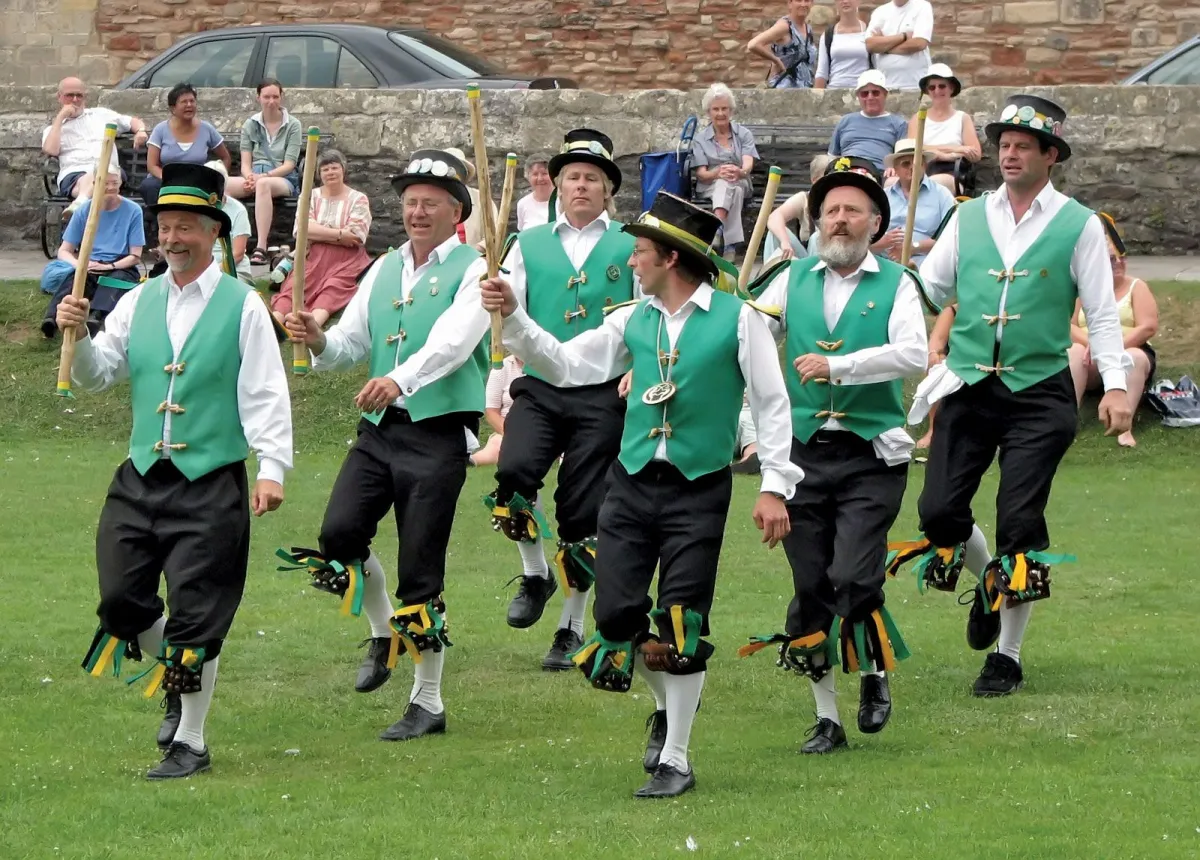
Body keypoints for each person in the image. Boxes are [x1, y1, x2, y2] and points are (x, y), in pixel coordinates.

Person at [481, 191, 800, 798]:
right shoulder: (631, 318)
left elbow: (771, 403)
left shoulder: (740, 319)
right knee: (617, 617)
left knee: (680, 624)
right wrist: (517, 317)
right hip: (628, 485)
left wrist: (775, 486)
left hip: (697, 488)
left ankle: (676, 756)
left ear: (672, 260)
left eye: (641, 253)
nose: (631, 262)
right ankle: (667, 708)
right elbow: (567, 364)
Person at [60, 162, 292, 780]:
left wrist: (272, 468)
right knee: (119, 602)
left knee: (197, 614)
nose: (172, 237)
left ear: (214, 232)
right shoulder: (139, 300)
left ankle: (190, 741)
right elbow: (95, 373)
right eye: (165, 226)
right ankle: (175, 674)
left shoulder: (244, 306)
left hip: (211, 479)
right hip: (140, 477)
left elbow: (265, 392)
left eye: (185, 226)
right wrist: (78, 337)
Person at [896, 95, 1132, 697]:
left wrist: (1118, 386)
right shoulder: (969, 215)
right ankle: (990, 588)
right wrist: (896, 274)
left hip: (1040, 389)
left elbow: (1103, 316)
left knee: (1019, 523)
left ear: (1050, 156)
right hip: (972, 383)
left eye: (1023, 145)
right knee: (938, 514)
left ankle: (1008, 655)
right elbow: (935, 284)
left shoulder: (1078, 223)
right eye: (1002, 143)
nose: (1008, 152)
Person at [280, 149, 490, 742]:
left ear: (457, 212)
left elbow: (453, 343)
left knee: (420, 570)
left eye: (431, 202)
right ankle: (381, 632)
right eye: (410, 201)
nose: (417, 211)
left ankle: (428, 701)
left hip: (438, 434)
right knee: (339, 535)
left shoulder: (477, 271)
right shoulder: (383, 269)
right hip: (380, 434)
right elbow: (350, 345)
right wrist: (319, 339)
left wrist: (401, 379)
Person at [742, 157, 927, 753]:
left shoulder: (898, 283)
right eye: (831, 211)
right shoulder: (786, 279)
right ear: (815, 221)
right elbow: (747, 346)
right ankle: (828, 718)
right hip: (798, 457)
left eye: (853, 210)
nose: (841, 221)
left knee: (853, 575)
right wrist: (749, 426)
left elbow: (913, 355)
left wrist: (839, 367)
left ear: (876, 221)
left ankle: (873, 675)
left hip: (871, 454)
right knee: (812, 584)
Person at [485, 129, 636, 671]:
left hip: (604, 392)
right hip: (542, 384)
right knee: (514, 472)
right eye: (572, 176)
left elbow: (650, 314)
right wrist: (505, 366)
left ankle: (571, 626)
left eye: (592, 178)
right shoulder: (526, 243)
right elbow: (508, 310)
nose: (581, 185)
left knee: (581, 513)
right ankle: (534, 573)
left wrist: (642, 367)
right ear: (557, 185)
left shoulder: (630, 243)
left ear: (606, 190)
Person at [1068, 213, 1158, 448]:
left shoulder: (1137, 287)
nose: (1118, 263)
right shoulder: (1084, 288)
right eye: (1110, 259)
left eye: (1121, 258)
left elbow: (1148, 326)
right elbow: (1069, 325)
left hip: (1127, 348)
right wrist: (1091, 344)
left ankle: (1124, 428)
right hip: (1089, 354)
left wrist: (1110, 347)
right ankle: (1067, 420)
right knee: (1073, 352)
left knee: (1135, 357)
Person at [271, 149, 372, 327]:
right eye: (325, 169)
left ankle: (310, 326)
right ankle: (275, 326)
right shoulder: (309, 196)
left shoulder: (358, 199)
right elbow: (301, 230)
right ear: (319, 174)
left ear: (343, 170)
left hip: (347, 259)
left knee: (333, 288)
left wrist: (318, 232)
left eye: (334, 168)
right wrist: (340, 234)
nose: (330, 172)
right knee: (294, 287)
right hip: (313, 256)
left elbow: (356, 236)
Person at [41, 169, 144, 338]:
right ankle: (52, 319)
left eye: (115, 183)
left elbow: (135, 256)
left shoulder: (133, 210)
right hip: (90, 263)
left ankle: (96, 316)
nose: (111, 188)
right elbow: (64, 251)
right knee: (72, 282)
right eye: (106, 183)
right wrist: (81, 265)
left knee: (115, 281)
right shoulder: (84, 210)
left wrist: (110, 266)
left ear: (121, 184)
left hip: (120, 264)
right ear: (95, 184)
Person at [42, 76, 148, 219]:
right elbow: (51, 150)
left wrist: (141, 130)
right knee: (94, 177)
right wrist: (60, 118)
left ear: (85, 97)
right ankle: (84, 203)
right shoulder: (54, 129)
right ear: (59, 97)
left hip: (110, 173)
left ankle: (80, 204)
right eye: (69, 95)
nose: (75, 100)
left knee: (101, 172)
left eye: (79, 95)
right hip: (75, 176)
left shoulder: (101, 115)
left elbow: (132, 121)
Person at [225, 79, 302, 266]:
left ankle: (260, 246)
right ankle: (224, 242)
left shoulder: (293, 125)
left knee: (263, 185)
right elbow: (245, 163)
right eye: (266, 97)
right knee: (220, 184)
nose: (271, 101)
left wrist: (263, 177)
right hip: (254, 176)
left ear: (281, 97)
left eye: (275, 96)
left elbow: (290, 164)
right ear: (258, 97)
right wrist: (249, 176)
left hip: (281, 178)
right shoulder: (250, 124)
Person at [690, 84, 759, 257]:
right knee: (727, 185)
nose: (720, 113)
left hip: (741, 180)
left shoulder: (743, 134)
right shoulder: (700, 139)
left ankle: (717, 229)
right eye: (716, 109)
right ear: (708, 112)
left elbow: (748, 164)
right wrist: (718, 172)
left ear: (731, 111)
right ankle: (730, 247)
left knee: (731, 184)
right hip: (709, 185)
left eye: (724, 108)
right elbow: (702, 174)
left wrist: (740, 172)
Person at [140, 83, 231, 206]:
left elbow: (225, 157)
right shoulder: (160, 130)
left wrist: (217, 178)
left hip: (196, 183)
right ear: (173, 108)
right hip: (165, 181)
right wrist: (169, 180)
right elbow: (152, 165)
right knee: (149, 186)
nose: (189, 105)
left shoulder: (206, 129)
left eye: (192, 101)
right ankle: (159, 223)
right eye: (184, 102)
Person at [875, 138, 956, 266]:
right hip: (885, 261)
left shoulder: (941, 194)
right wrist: (885, 241)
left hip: (927, 262)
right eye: (906, 164)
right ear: (895, 169)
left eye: (917, 162)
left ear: (924, 165)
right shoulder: (883, 197)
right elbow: (867, 239)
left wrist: (912, 247)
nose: (912, 168)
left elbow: (952, 237)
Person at [911, 64, 982, 196]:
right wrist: (954, 150)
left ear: (951, 88)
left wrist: (933, 151)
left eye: (942, 86)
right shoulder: (918, 118)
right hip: (922, 169)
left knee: (933, 183)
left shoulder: (962, 118)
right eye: (932, 87)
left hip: (952, 172)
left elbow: (976, 153)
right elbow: (911, 149)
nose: (937, 91)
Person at [828, 71, 908, 174]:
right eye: (865, 94)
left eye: (875, 93)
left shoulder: (898, 124)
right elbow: (832, 156)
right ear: (858, 96)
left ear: (885, 94)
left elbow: (903, 159)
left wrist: (893, 168)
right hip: (845, 170)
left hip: (878, 173)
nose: (870, 97)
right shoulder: (846, 121)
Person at [764, 154, 833, 263]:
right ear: (815, 180)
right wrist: (784, 241)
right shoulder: (805, 198)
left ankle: (817, 279)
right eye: (829, 178)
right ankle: (771, 276)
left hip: (834, 260)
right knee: (774, 233)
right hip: (805, 259)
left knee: (818, 237)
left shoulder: (843, 200)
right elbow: (775, 217)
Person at [203, 160, 254, 284]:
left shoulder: (238, 210)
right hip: (201, 268)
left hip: (233, 268)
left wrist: (212, 274)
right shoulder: (195, 209)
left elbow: (238, 254)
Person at [747, 0, 817, 89]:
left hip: (804, 91)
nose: (803, 4)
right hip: (784, 90)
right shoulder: (785, 26)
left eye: (806, 1)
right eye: (799, 1)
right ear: (790, 3)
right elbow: (753, 44)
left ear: (811, 3)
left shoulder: (808, 29)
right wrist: (776, 60)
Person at [470, 355, 525, 467]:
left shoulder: (546, 364)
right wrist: (511, 434)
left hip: (542, 426)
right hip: (508, 429)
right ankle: (470, 461)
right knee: (497, 443)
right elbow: (491, 412)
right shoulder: (501, 368)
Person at [865, 0, 933, 91]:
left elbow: (919, 43)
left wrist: (884, 47)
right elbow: (870, 45)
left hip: (915, 85)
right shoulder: (879, 12)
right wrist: (903, 36)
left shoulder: (922, 7)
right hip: (885, 86)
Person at [444, 147, 500, 250]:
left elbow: (494, 234)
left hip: (476, 260)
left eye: (455, 170)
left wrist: (472, 253)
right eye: (447, 169)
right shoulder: (433, 200)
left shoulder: (481, 199)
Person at [813, 0, 871, 90]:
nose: (845, 1)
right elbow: (822, 72)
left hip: (864, 93)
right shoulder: (828, 35)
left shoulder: (869, 32)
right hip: (834, 92)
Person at [516, 154, 554, 231]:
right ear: (528, 177)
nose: (540, 178)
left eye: (544, 173)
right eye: (535, 174)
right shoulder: (522, 204)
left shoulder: (564, 201)